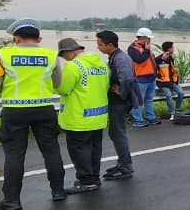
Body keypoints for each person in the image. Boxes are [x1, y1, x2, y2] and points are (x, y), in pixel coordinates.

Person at [0, 19, 66, 210]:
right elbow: (57, 83)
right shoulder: (50, 55)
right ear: (38, 38)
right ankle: (58, 191)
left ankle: (12, 200)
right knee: (51, 151)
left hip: (15, 111)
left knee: (14, 155)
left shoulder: (4, 55)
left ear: (16, 38)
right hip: (44, 109)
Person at [55, 38, 109, 194]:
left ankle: (87, 181)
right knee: (94, 149)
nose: (64, 59)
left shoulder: (73, 66)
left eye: (64, 56)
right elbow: (105, 86)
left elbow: (63, 89)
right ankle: (94, 177)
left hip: (79, 117)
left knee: (79, 150)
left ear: (70, 52)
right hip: (98, 116)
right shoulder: (101, 64)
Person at [97, 30, 139, 181]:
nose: (98, 47)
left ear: (109, 45)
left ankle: (126, 166)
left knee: (118, 133)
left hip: (120, 102)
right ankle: (122, 163)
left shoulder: (120, 58)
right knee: (115, 133)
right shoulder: (115, 57)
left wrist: (121, 91)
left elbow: (127, 78)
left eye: (100, 44)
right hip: (117, 101)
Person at [128, 27, 158, 127]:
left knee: (149, 100)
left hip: (151, 78)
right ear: (143, 38)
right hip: (140, 79)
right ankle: (138, 121)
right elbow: (139, 59)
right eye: (148, 38)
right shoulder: (132, 48)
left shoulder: (146, 48)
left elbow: (151, 62)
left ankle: (151, 118)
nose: (150, 40)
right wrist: (146, 50)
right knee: (138, 101)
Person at [154, 41, 184, 115]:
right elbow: (154, 67)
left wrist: (176, 80)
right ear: (168, 49)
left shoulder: (170, 58)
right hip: (162, 82)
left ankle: (177, 109)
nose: (173, 49)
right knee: (168, 95)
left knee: (181, 93)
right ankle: (172, 113)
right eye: (172, 47)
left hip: (171, 82)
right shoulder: (158, 59)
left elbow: (172, 70)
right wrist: (162, 59)